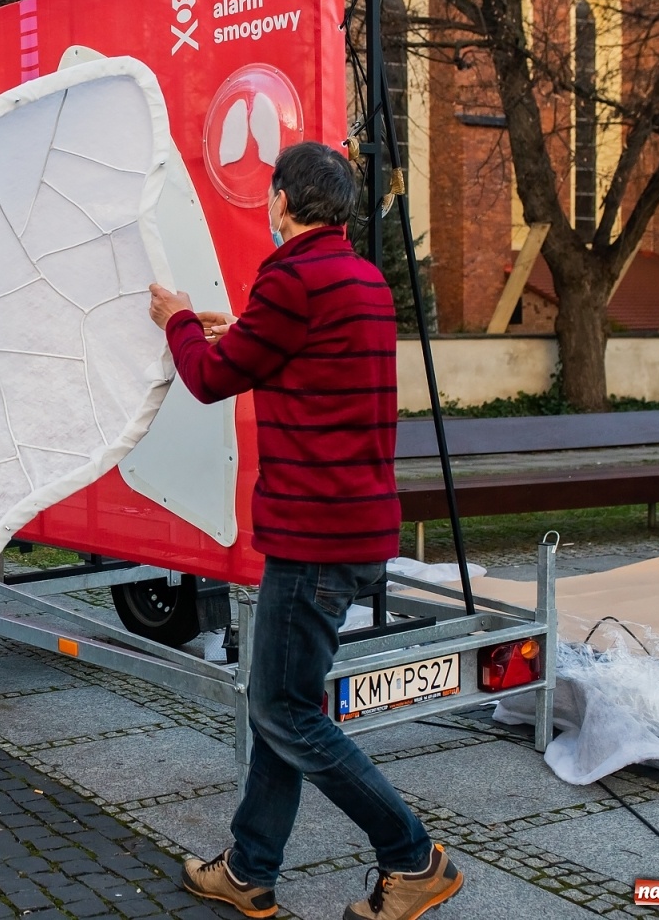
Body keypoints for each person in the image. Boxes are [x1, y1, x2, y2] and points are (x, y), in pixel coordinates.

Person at [148, 142, 463, 920]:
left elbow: (210, 378)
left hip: (310, 537)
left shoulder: (290, 279)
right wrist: (237, 327)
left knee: (286, 713)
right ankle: (249, 869)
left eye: (270, 196)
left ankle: (412, 856)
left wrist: (179, 320)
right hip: (358, 531)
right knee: (280, 703)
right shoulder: (361, 279)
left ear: (284, 202)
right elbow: (296, 358)